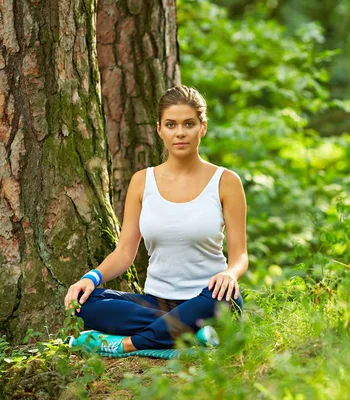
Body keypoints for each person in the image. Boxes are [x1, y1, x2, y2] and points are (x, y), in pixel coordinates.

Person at [63, 85, 248, 356]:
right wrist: (91, 277)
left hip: (209, 299)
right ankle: (192, 334)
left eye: (189, 124)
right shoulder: (142, 182)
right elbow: (125, 252)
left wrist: (229, 274)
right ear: (159, 129)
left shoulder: (226, 181)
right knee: (85, 303)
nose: (180, 132)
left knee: (222, 299)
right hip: (156, 303)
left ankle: (125, 344)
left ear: (203, 127)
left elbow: (240, 255)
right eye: (171, 125)